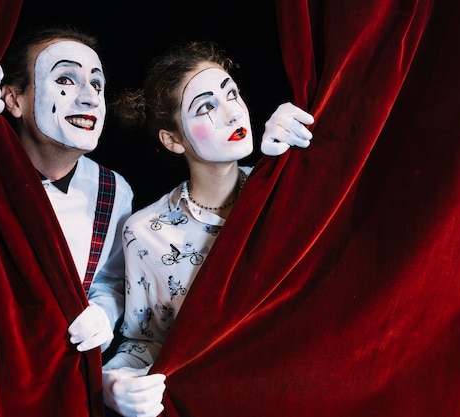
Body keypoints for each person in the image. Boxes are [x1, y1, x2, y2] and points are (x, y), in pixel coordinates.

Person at [100, 40, 314, 417]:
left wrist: (308, 152)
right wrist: (112, 382)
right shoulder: (145, 231)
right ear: (173, 140)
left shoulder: (283, 193)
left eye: (232, 94)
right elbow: (145, 341)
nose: (233, 114)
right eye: (206, 107)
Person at [0, 26, 133, 353]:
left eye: (97, 84)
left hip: (58, 372)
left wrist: (104, 314)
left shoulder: (114, 191)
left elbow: (110, 282)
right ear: (13, 99)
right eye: (66, 80)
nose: (90, 97)